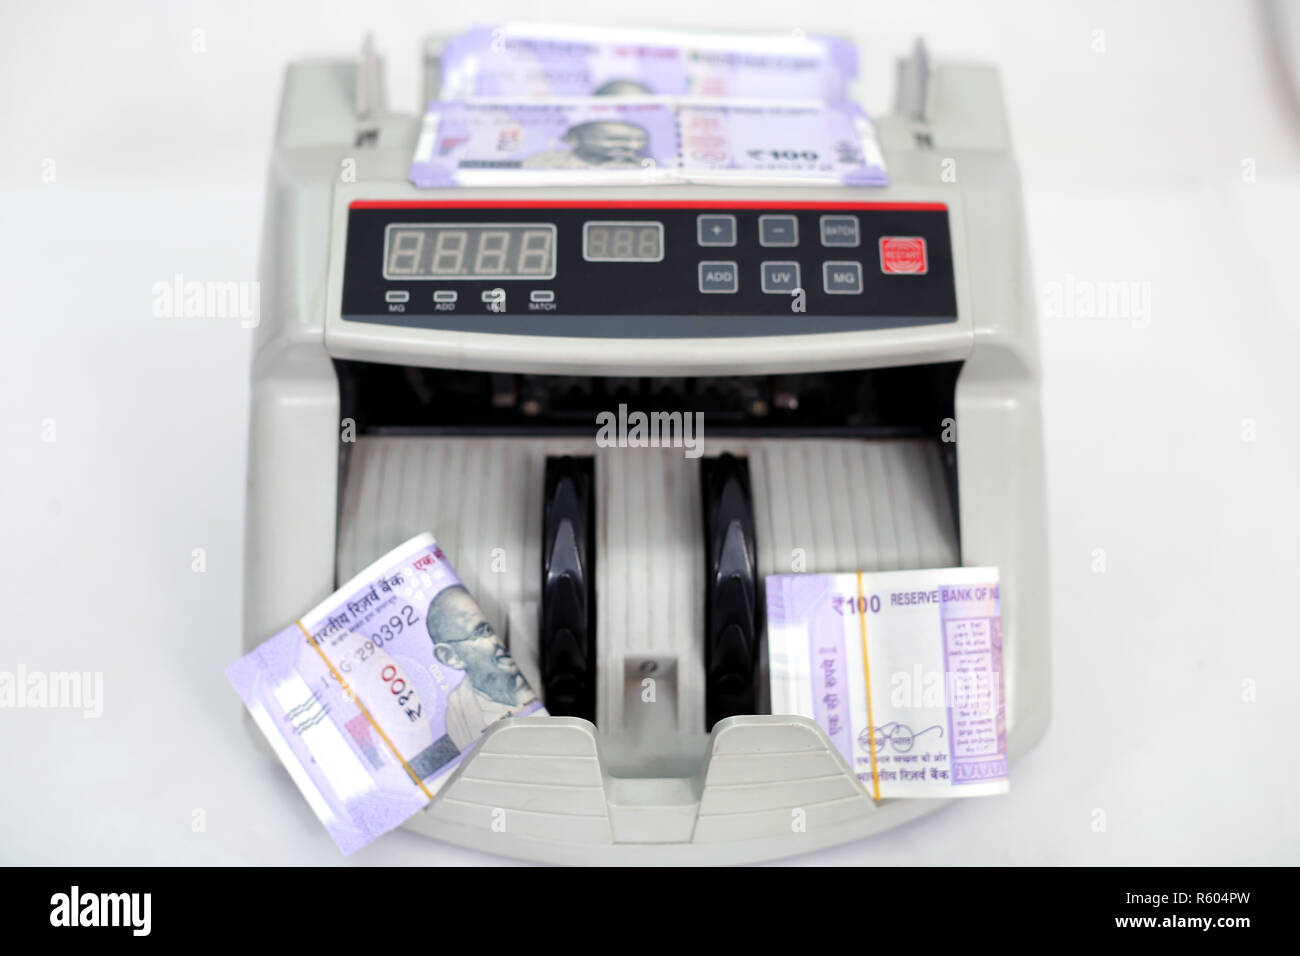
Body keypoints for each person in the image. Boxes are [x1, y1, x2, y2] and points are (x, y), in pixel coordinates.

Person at [427, 586, 537, 751]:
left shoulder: (534, 660)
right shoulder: (459, 717)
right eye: (482, 631)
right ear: (451, 657)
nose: (499, 637)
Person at [520, 120, 649, 168]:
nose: (631, 147)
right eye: (613, 139)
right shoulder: (541, 162)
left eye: (638, 140)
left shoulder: (641, 167)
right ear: (578, 139)